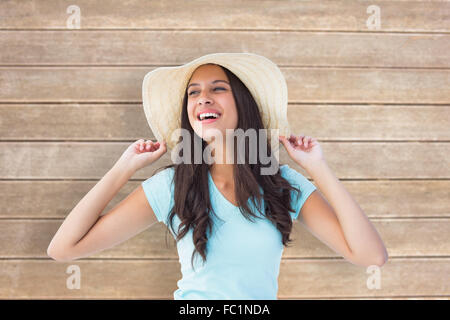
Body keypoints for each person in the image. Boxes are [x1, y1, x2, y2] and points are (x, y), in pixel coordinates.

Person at [47, 53, 388, 300]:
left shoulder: (282, 184)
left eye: (217, 88)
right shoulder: (172, 186)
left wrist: (318, 168)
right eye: (193, 92)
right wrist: (123, 168)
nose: (202, 97)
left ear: (242, 103)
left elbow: (370, 256)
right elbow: (63, 249)